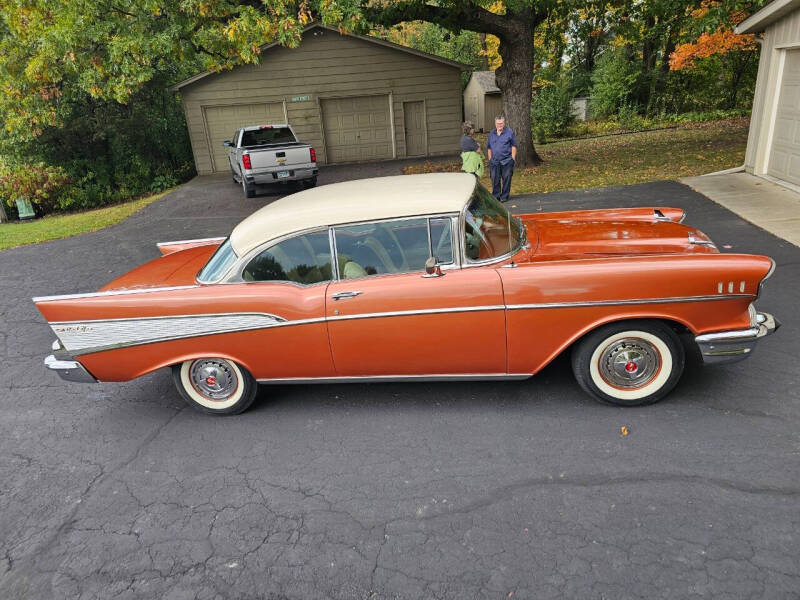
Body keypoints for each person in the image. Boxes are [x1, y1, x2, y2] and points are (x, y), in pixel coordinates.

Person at [486, 115, 517, 202]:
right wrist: (490, 159)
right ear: (495, 123)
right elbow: (489, 147)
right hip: (494, 161)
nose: (499, 125)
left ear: (504, 123)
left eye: (501, 123)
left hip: (507, 161)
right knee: (494, 179)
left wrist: (513, 158)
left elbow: (514, 146)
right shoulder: (491, 133)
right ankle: (496, 196)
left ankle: (504, 196)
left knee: (507, 179)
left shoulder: (509, 132)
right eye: (498, 123)